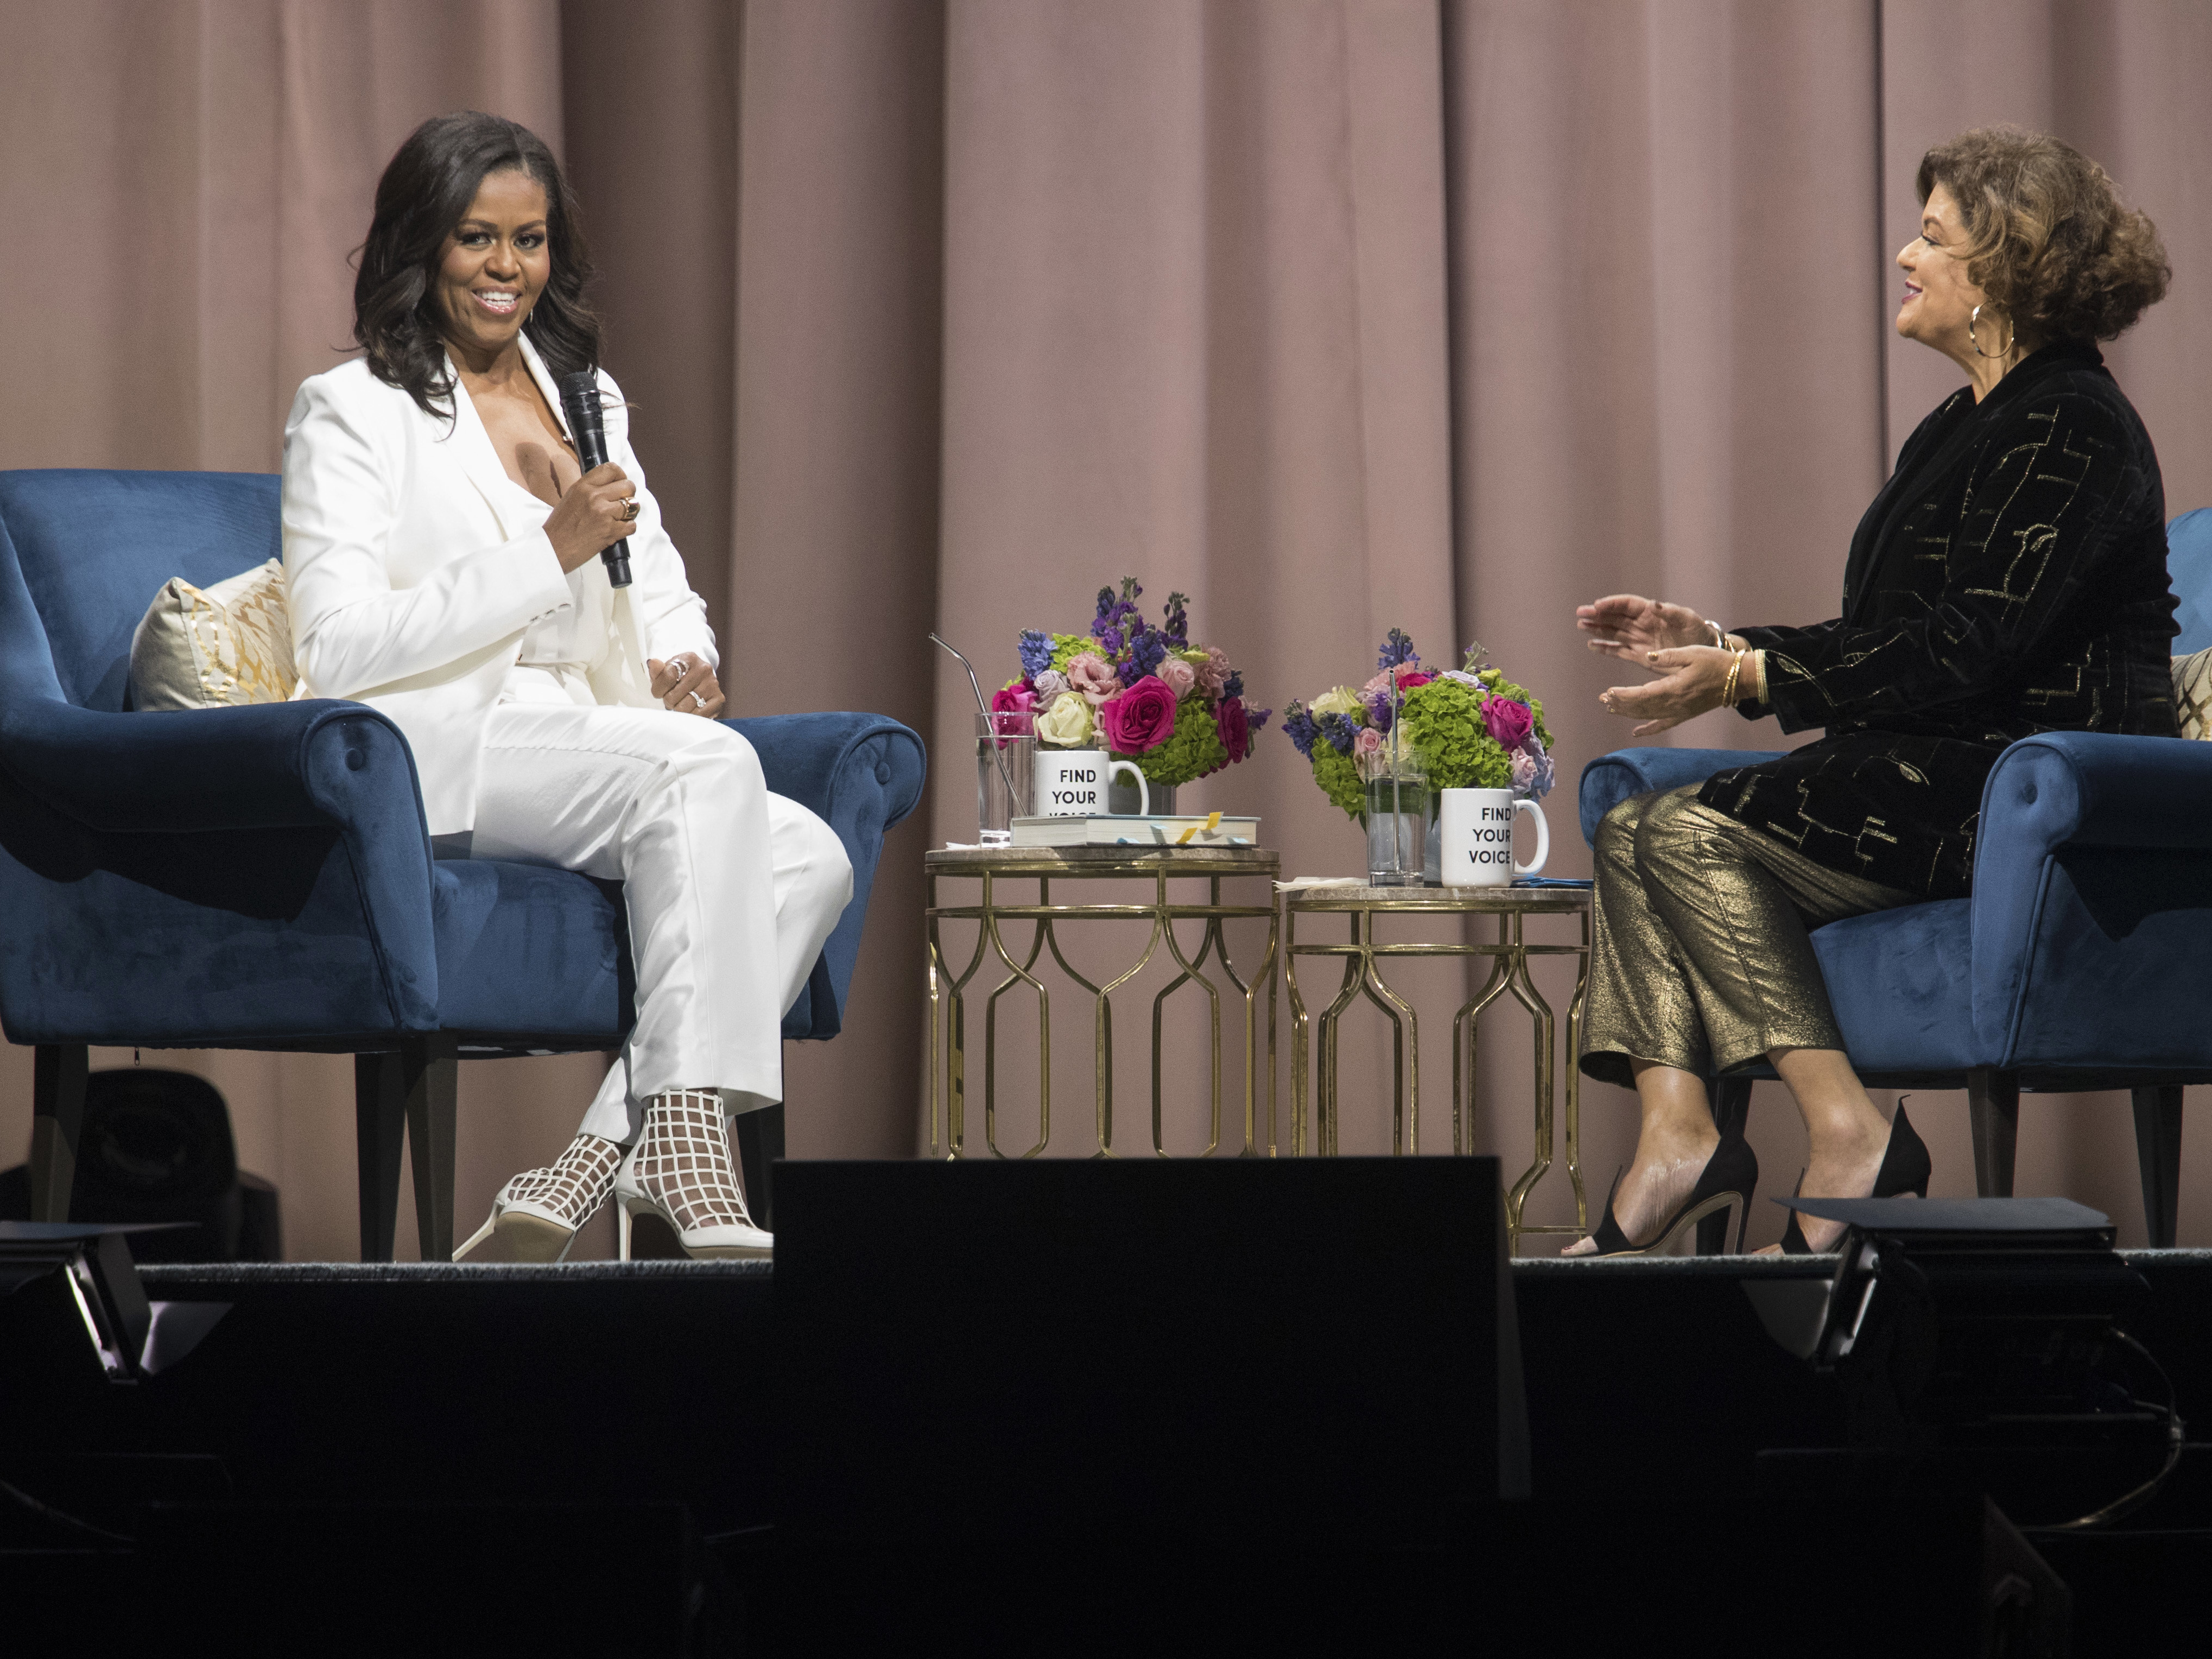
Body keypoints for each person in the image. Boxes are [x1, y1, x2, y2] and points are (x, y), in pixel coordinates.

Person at [1568, 126, 2176, 1256]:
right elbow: (1888, 637)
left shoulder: (2074, 424)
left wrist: (1752, 677)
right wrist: (1719, 639)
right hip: (1928, 768)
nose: (1904, 253)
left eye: (1932, 235)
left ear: (2002, 266)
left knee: (1687, 835)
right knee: (1633, 826)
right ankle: (1676, 1134)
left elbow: (1975, 644)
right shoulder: (1960, 424)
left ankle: (1848, 1134)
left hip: (2020, 792)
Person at [283, 112, 851, 1261]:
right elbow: (337, 644)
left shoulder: (585, 396)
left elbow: (661, 580)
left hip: (589, 729)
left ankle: (594, 1153)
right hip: (442, 740)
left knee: (812, 855)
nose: (506, 270)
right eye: (476, 239)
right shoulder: (352, 411)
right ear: (420, 244)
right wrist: (546, 551)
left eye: (530, 241)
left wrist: (683, 664)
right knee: (707, 775)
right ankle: (689, 1145)